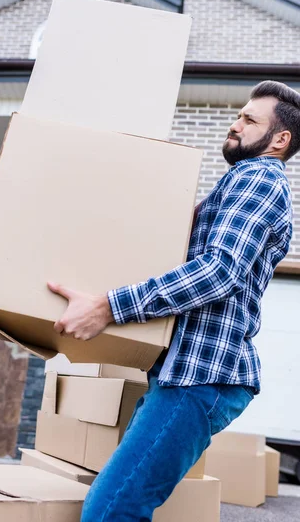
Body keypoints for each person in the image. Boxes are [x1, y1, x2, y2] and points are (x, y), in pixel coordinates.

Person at [48, 80, 300, 522]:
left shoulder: (259, 178)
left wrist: (107, 306)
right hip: (184, 374)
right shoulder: (240, 182)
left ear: (281, 139)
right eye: (239, 115)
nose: (235, 123)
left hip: (200, 377)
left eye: (249, 119)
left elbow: (218, 272)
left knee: (112, 511)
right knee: (118, 505)